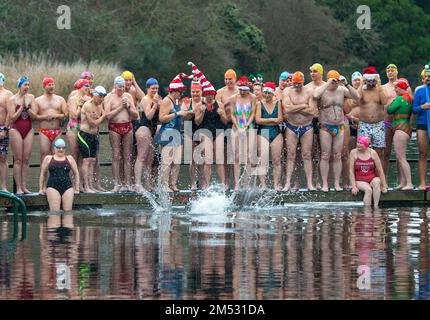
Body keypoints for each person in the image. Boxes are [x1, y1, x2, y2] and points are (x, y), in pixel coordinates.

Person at [314, 70, 359, 192]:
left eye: (336, 81)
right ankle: (324, 184)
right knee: (325, 155)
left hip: (339, 126)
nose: (335, 83)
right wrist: (327, 83)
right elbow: (315, 95)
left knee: (338, 155)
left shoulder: (342, 89)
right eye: (332, 81)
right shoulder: (323, 89)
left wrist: (347, 84)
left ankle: (336, 184)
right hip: (325, 126)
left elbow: (357, 97)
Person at [190, 62, 227, 190]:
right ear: (205, 95)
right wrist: (201, 112)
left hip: (218, 131)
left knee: (220, 158)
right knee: (208, 159)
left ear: (214, 95)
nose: (210, 97)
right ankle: (205, 185)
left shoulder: (219, 104)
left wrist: (221, 114)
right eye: (208, 95)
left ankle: (223, 184)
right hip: (204, 131)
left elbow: (225, 120)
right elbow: (197, 122)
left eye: (211, 94)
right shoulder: (199, 105)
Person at [157, 73, 193, 192]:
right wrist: (177, 114)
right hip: (167, 133)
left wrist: (188, 112)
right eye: (179, 91)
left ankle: (173, 184)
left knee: (177, 162)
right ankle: (164, 185)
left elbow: (180, 117)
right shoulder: (166, 101)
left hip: (177, 133)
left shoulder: (176, 101)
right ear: (174, 91)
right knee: (167, 161)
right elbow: (161, 118)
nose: (181, 94)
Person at [283, 72, 318, 191]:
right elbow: (287, 109)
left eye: (299, 83)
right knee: (290, 155)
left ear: (303, 82)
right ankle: (287, 183)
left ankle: (309, 183)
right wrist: (303, 105)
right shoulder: (287, 91)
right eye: (295, 83)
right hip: (291, 126)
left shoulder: (309, 92)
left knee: (307, 155)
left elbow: (312, 111)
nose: (297, 86)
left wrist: (295, 107)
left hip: (307, 127)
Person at [105, 76, 139, 192]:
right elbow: (108, 116)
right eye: (119, 86)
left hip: (127, 127)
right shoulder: (109, 97)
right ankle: (117, 184)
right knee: (116, 156)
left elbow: (136, 115)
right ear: (115, 86)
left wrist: (128, 107)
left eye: (123, 87)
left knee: (127, 157)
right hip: (114, 127)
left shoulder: (128, 96)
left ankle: (128, 183)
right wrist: (121, 107)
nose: (121, 89)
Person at [227, 76, 257, 191]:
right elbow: (232, 115)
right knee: (237, 157)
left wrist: (246, 126)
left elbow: (253, 113)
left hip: (249, 126)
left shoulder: (253, 97)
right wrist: (239, 127)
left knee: (249, 156)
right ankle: (236, 184)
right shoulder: (233, 98)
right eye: (241, 89)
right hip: (236, 127)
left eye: (245, 90)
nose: (243, 92)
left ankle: (245, 183)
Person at [382, 64, 413, 176]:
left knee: (399, 155)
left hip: (401, 123)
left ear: (397, 72)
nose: (390, 72)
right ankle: (383, 180)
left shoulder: (405, 87)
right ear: (386, 73)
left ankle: (400, 181)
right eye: (388, 70)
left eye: (392, 70)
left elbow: (411, 106)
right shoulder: (383, 87)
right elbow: (382, 106)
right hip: (387, 122)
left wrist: (409, 123)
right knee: (386, 153)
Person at [7, 76, 36, 194]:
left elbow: (34, 116)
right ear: (19, 86)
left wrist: (28, 108)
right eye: (25, 85)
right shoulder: (12, 99)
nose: (27, 87)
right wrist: (21, 107)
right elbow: (12, 118)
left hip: (28, 129)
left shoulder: (31, 98)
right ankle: (18, 187)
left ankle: (24, 186)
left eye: (28, 85)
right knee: (18, 160)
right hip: (16, 129)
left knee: (26, 159)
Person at [133, 78, 161, 192]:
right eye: (153, 88)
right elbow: (149, 116)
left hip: (153, 129)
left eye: (156, 88)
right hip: (144, 128)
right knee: (142, 156)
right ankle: (137, 184)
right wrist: (155, 105)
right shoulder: (145, 99)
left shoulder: (157, 98)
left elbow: (159, 118)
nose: (155, 90)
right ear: (147, 88)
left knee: (150, 159)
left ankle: (148, 185)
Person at [78, 86, 107, 193]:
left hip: (94, 135)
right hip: (84, 135)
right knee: (86, 160)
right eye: (100, 96)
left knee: (93, 161)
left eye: (103, 97)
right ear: (95, 95)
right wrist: (104, 115)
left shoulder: (100, 105)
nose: (102, 99)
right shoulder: (88, 105)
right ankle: (86, 187)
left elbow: (99, 121)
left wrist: (101, 116)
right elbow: (93, 123)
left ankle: (91, 186)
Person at [387, 78, 414, 190]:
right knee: (400, 157)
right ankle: (403, 183)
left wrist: (391, 102)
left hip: (400, 129)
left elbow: (389, 110)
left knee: (401, 158)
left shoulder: (399, 98)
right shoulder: (410, 99)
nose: (395, 89)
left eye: (396, 87)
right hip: (406, 128)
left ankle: (409, 183)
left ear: (401, 88)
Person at [255, 82, 283, 190]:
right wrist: (272, 120)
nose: (267, 95)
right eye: (265, 93)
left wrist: (266, 121)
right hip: (263, 133)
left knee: (276, 160)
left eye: (269, 93)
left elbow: (280, 119)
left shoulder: (278, 103)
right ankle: (263, 185)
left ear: (273, 94)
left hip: (276, 133)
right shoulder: (259, 104)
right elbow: (258, 120)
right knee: (263, 160)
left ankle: (276, 184)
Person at [356, 66, 388, 161]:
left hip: (379, 125)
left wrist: (378, 84)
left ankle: (378, 174)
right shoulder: (362, 90)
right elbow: (356, 98)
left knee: (379, 152)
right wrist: (362, 83)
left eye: (372, 80)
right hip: (364, 124)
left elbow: (384, 101)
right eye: (369, 80)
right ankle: (365, 174)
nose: (371, 83)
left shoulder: (380, 89)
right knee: (363, 150)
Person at [39, 139, 80, 211]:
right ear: (54, 148)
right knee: (55, 212)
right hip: (52, 187)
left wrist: (77, 188)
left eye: (63, 148)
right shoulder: (48, 158)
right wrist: (41, 189)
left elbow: (76, 173)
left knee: (68, 212)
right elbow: (43, 174)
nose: (61, 149)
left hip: (67, 187)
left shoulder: (70, 158)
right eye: (58, 147)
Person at [34, 77, 68, 163]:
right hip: (44, 131)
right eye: (49, 85)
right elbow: (34, 117)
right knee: (44, 155)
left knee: (56, 155)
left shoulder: (60, 99)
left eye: (53, 84)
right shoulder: (37, 100)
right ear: (44, 86)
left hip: (57, 131)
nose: (52, 86)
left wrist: (55, 116)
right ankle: (43, 176)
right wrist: (45, 117)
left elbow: (66, 115)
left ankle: (54, 176)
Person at [215, 69, 239, 190]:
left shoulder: (240, 91)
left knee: (235, 155)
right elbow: (217, 109)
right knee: (224, 155)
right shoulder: (220, 93)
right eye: (226, 79)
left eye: (230, 79)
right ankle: (226, 183)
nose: (228, 81)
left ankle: (236, 183)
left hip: (236, 125)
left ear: (235, 79)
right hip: (223, 125)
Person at [350, 136, 388, 208]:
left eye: (360, 143)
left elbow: (380, 171)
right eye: (358, 142)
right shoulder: (353, 153)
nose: (358, 144)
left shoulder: (373, 153)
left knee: (377, 182)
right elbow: (351, 171)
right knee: (368, 190)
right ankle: (367, 211)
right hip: (359, 180)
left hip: (371, 179)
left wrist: (384, 185)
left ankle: (376, 207)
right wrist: (354, 186)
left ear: (366, 145)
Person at [305, 63, 326, 189]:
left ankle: (320, 181)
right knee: (311, 152)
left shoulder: (326, 86)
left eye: (315, 71)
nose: (312, 73)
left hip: (325, 121)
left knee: (323, 153)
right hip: (311, 121)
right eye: (311, 71)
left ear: (321, 72)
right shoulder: (307, 87)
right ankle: (311, 181)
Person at [342, 72, 362, 189]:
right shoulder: (347, 92)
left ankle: (361, 179)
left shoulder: (364, 91)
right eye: (355, 80)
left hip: (362, 125)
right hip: (349, 124)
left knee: (361, 153)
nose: (357, 82)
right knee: (348, 154)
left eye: (359, 80)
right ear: (352, 81)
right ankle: (348, 181)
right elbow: (345, 109)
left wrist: (360, 120)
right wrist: (352, 118)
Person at [412, 63, 430, 190]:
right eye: (426, 76)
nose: (428, 78)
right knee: (423, 154)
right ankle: (422, 183)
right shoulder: (419, 90)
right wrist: (422, 107)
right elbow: (414, 109)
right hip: (422, 125)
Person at [0, 73, 12, 191]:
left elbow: (10, 112)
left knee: (3, 158)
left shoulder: (7, 94)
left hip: (3, 128)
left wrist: (5, 129)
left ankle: (3, 186)